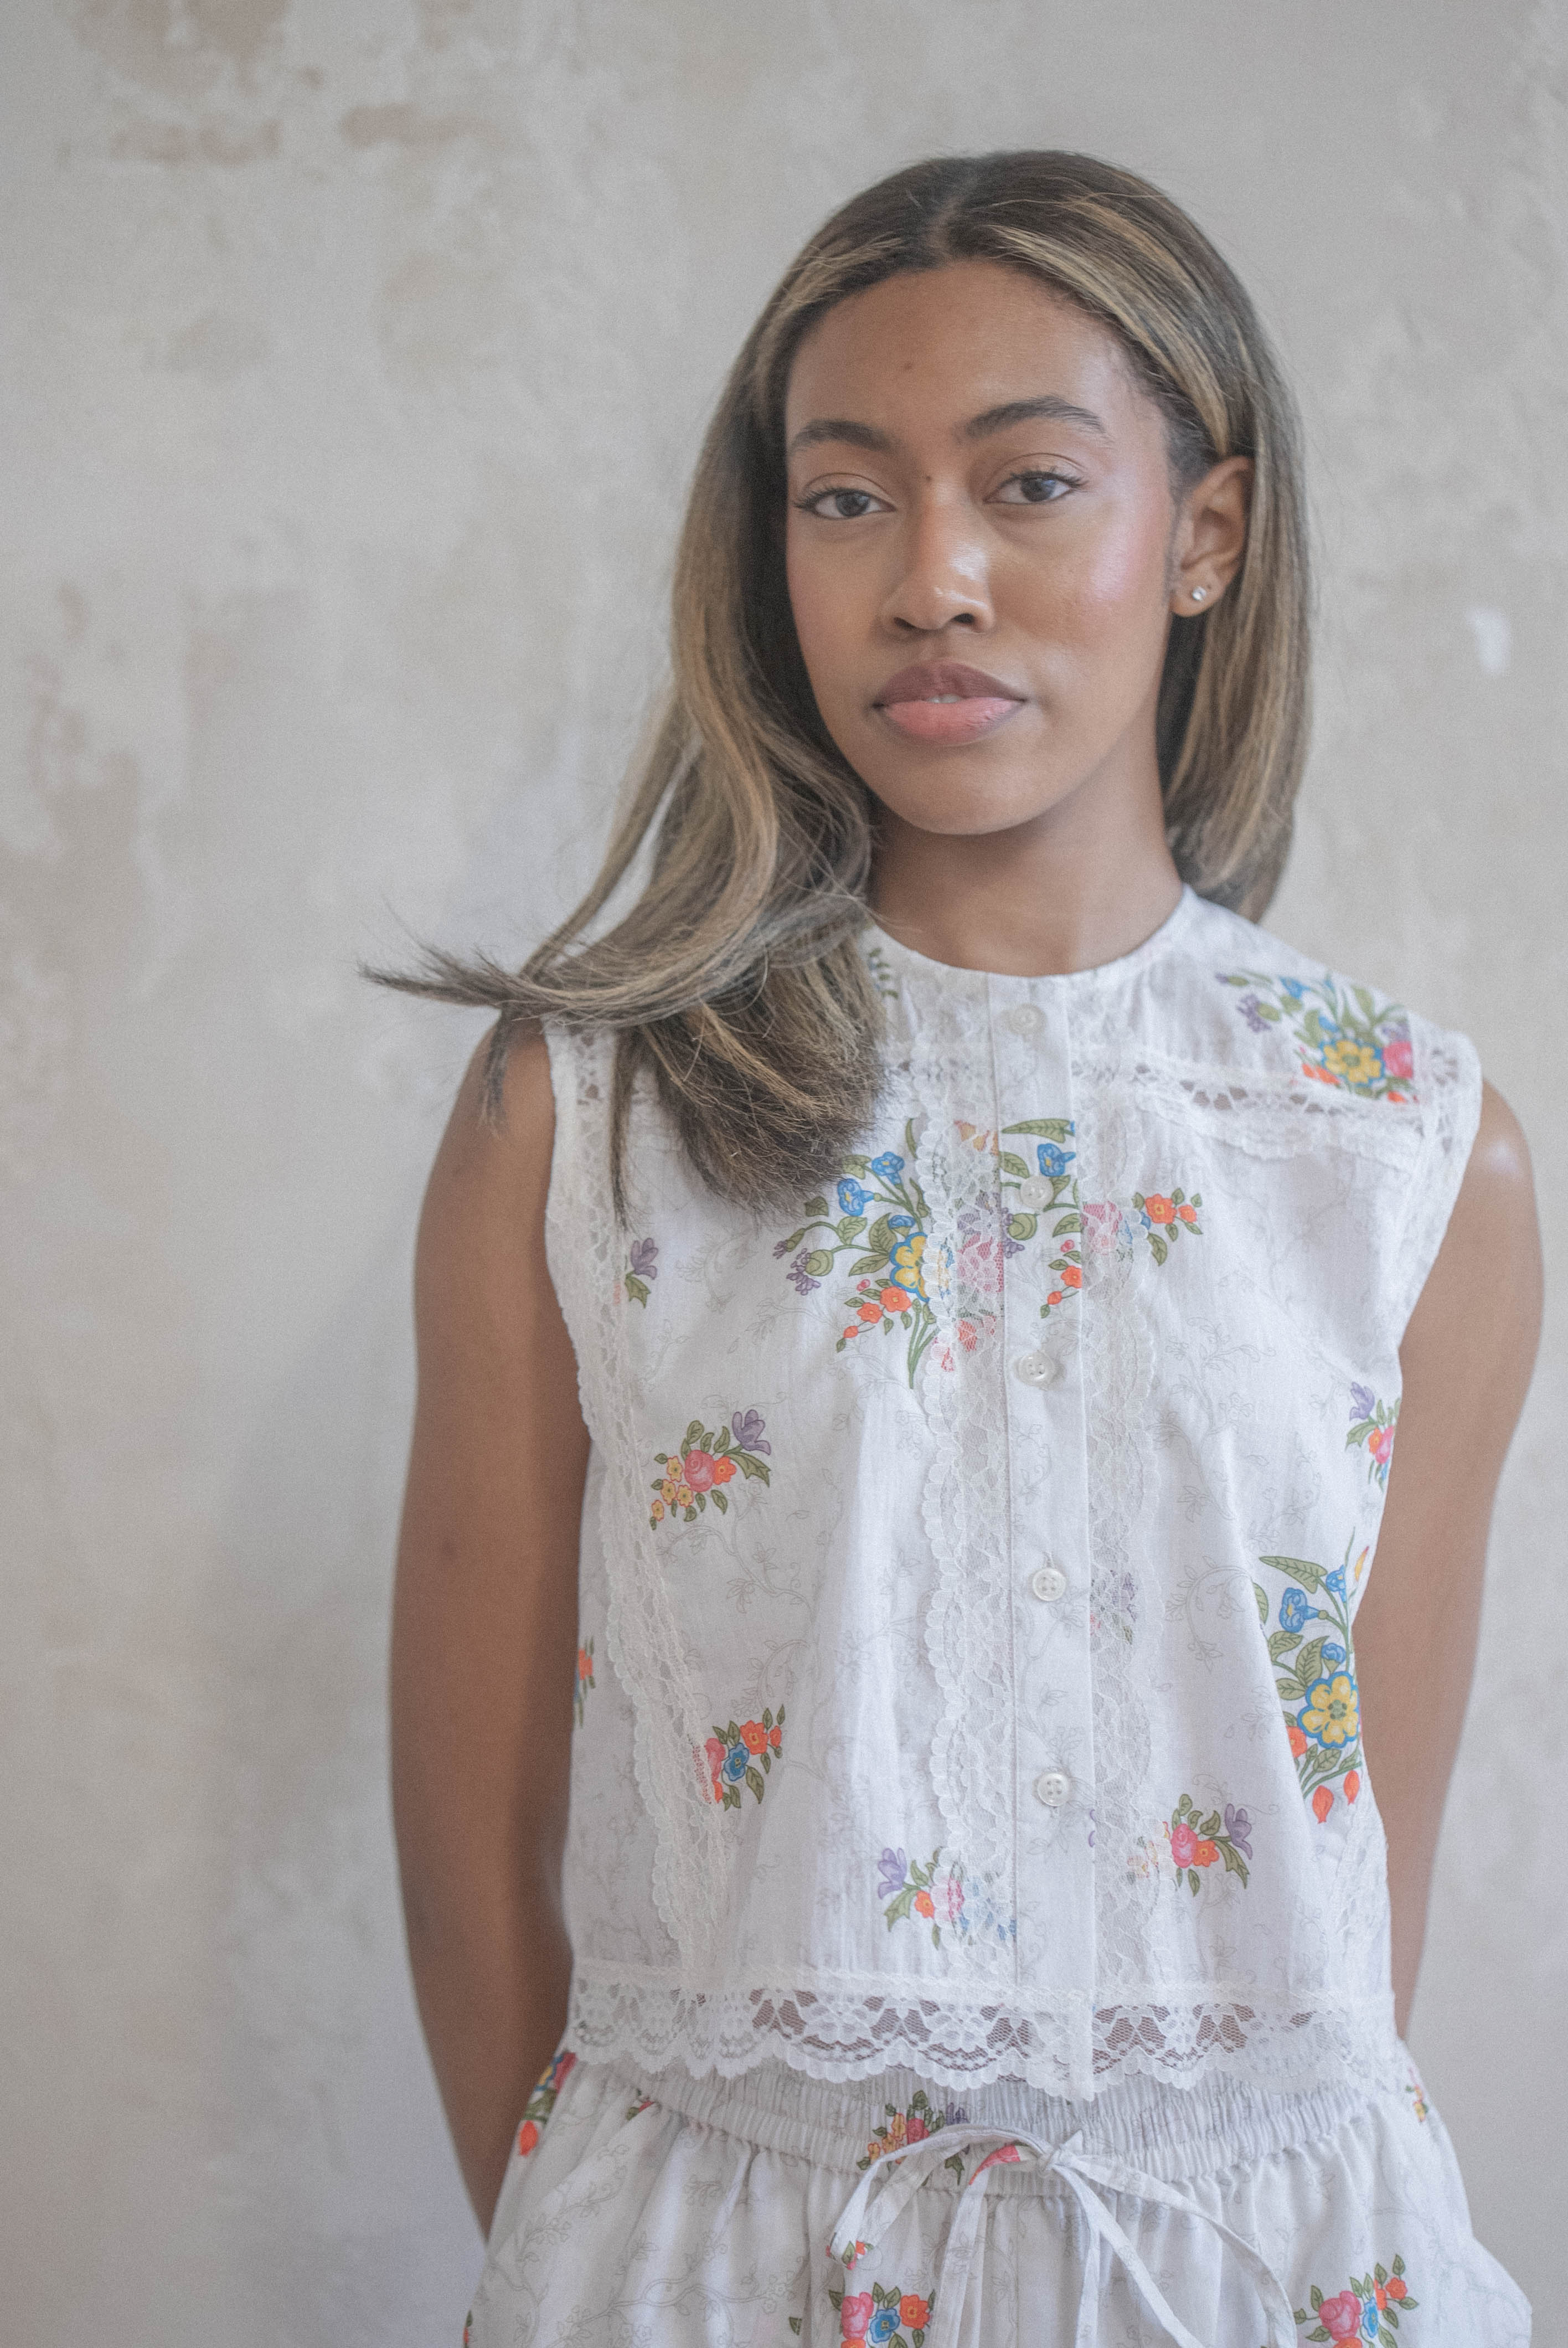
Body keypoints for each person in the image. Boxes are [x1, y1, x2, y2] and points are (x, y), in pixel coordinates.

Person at [385, 153, 1541, 2346]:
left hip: (1261, 2284)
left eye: (1030, 484)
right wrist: (599, 2261)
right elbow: (470, 1846)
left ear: (1206, 534)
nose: (933, 578)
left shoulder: (1405, 1152)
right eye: (847, 498)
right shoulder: (585, 1117)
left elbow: (1339, 1910)